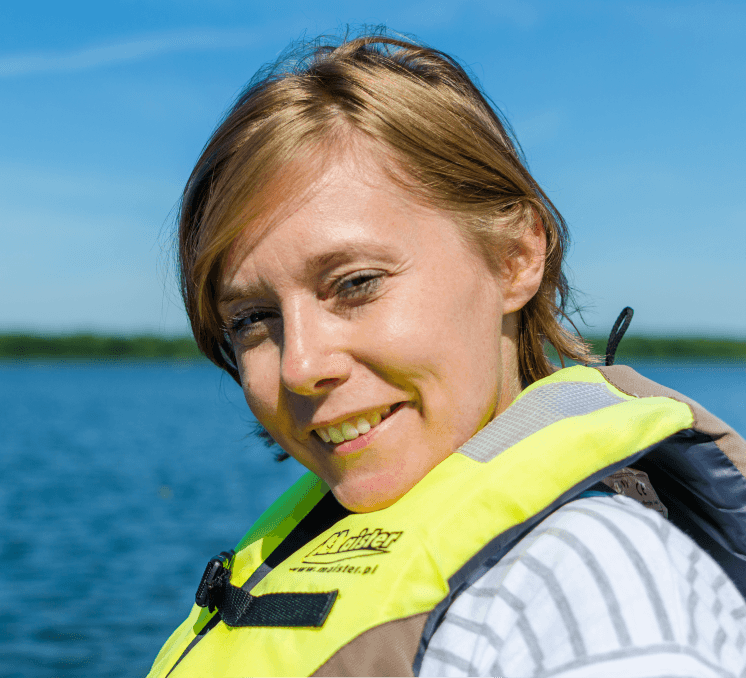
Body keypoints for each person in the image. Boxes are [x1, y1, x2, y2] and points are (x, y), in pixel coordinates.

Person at [148, 31, 746, 677]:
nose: (301, 366)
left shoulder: (584, 588)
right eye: (252, 318)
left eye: (356, 284)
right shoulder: (311, 544)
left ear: (515, 257)